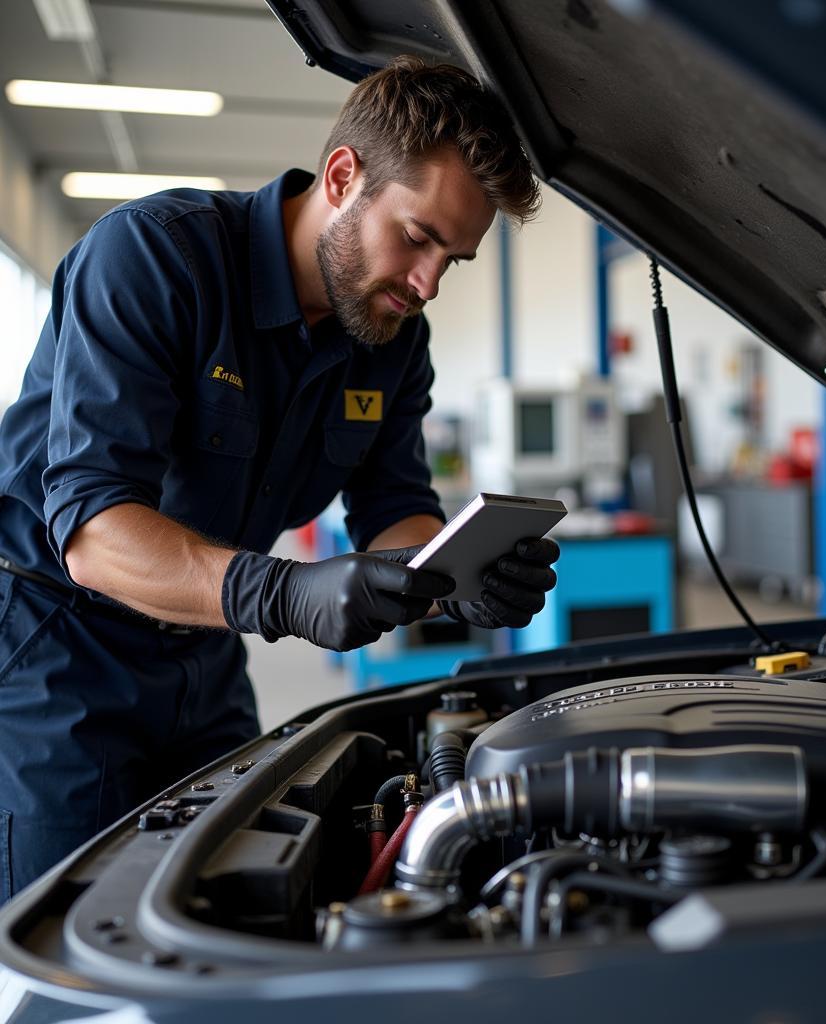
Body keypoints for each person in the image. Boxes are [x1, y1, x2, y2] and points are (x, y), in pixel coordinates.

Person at [0, 56, 557, 901]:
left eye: (455, 260)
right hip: (58, 647)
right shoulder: (156, 260)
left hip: (206, 652)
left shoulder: (391, 337)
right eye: (416, 238)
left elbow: (395, 510)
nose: (427, 284)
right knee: (78, 933)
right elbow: (93, 532)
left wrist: (457, 577)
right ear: (343, 177)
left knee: (239, 897)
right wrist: (288, 594)